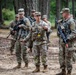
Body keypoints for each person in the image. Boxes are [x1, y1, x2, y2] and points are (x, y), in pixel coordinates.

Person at [56, 8, 75, 75]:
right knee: (61, 56)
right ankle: (63, 70)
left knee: (68, 57)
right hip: (62, 42)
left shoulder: (71, 21)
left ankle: (69, 72)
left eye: (63, 13)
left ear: (66, 13)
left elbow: (74, 33)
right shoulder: (62, 22)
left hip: (69, 43)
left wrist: (67, 38)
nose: (62, 14)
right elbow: (59, 32)